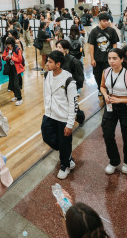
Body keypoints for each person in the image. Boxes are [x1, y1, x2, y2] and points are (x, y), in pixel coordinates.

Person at [100, 48, 127, 175]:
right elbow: (102, 86)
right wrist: (106, 96)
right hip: (111, 106)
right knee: (107, 133)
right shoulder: (106, 72)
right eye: (109, 58)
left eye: (114, 58)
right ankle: (114, 161)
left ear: (122, 59)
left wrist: (119, 100)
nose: (111, 61)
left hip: (126, 108)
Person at [41, 50, 78, 180]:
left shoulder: (68, 80)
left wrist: (69, 124)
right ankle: (67, 155)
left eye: (50, 62)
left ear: (58, 64)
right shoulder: (47, 75)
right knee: (47, 137)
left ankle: (65, 165)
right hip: (49, 115)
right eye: (47, 61)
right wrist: (47, 107)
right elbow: (46, 93)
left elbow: (73, 104)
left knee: (64, 143)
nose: (47, 64)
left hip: (63, 117)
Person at [88, 12, 119, 95]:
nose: (106, 22)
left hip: (108, 59)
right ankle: (100, 89)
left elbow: (114, 43)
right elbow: (91, 45)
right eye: (104, 21)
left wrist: (114, 56)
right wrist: (92, 58)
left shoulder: (112, 31)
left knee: (108, 76)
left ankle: (108, 90)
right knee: (97, 75)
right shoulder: (94, 32)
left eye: (107, 21)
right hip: (97, 59)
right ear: (99, 21)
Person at [2, 37, 24, 106]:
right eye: (7, 44)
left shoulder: (17, 49)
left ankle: (20, 99)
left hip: (16, 68)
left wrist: (11, 57)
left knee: (16, 84)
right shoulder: (6, 49)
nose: (8, 46)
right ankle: (16, 96)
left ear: (12, 44)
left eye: (9, 44)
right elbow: (3, 56)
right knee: (11, 83)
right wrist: (6, 58)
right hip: (10, 68)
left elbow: (20, 60)